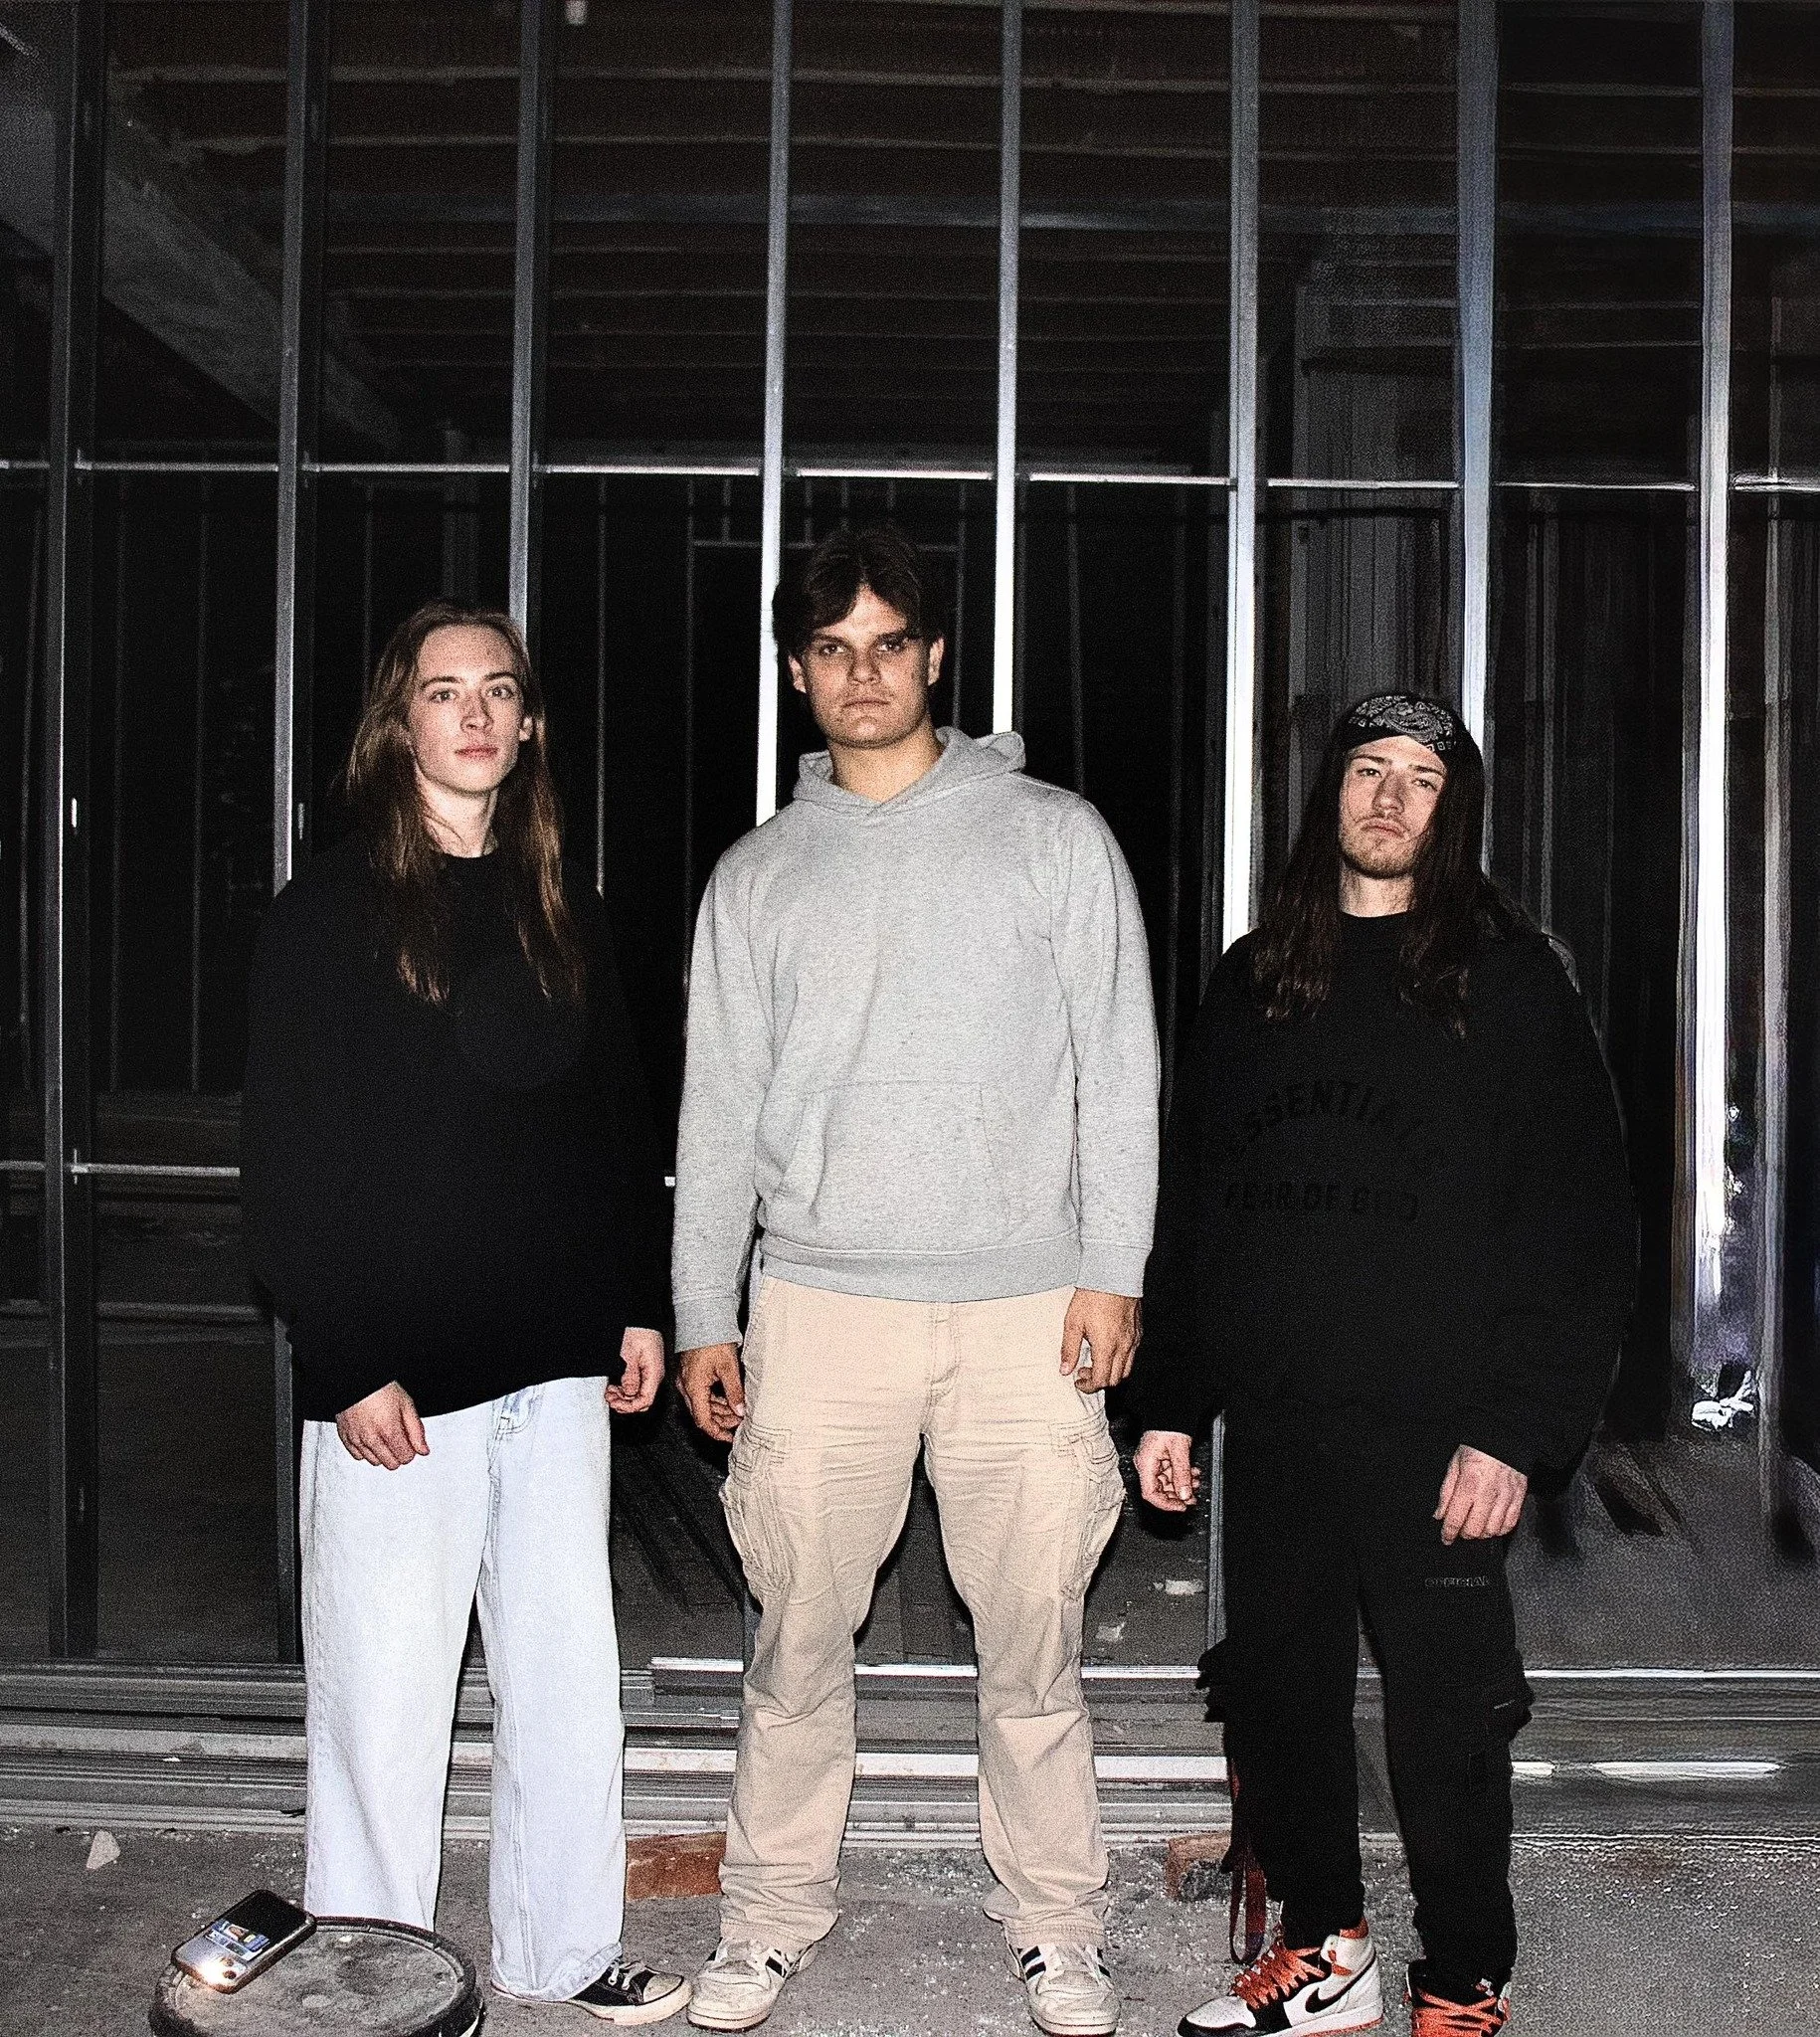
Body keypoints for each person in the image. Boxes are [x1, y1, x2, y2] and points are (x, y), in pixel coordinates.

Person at [670, 524, 1160, 2036]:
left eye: (887, 643)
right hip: (819, 1309)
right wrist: (705, 1310)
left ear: (935, 655)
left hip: (1025, 1310)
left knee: (1031, 1647)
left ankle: (1056, 1929)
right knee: (797, 1640)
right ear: (797, 671)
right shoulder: (757, 876)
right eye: (829, 649)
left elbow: (1119, 1074)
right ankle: (766, 1922)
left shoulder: (1051, 836)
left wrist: (1111, 1268)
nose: (860, 672)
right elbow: (718, 1110)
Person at [1125, 693, 1634, 2037]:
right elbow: (1194, 1203)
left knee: (1444, 1721)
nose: (1391, 799)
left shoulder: (1508, 980)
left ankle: (1463, 1976)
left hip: (1437, 1433)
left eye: (1421, 779)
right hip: (1276, 1422)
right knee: (1277, 1696)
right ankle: (1323, 1951)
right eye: (1369, 771)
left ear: (1447, 812)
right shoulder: (1253, 980)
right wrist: (1172, 1396)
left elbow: (1578, 1223)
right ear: (1329, 795)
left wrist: (1517, 1429)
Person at [241, 600, 689, 2026]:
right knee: (383, 1704)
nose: (476, 716)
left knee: (567, 1688)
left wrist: (634, 1301)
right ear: (400, 725)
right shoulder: (328, 914)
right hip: (401, 1386)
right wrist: (348, 1357)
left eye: (499, 691)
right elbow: (292, 1162)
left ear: (529, 721)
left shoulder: (567, 907)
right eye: (445, 694)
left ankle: (560, 1955)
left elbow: (615, 1127)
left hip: (553, 1372)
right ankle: (374, 1978)